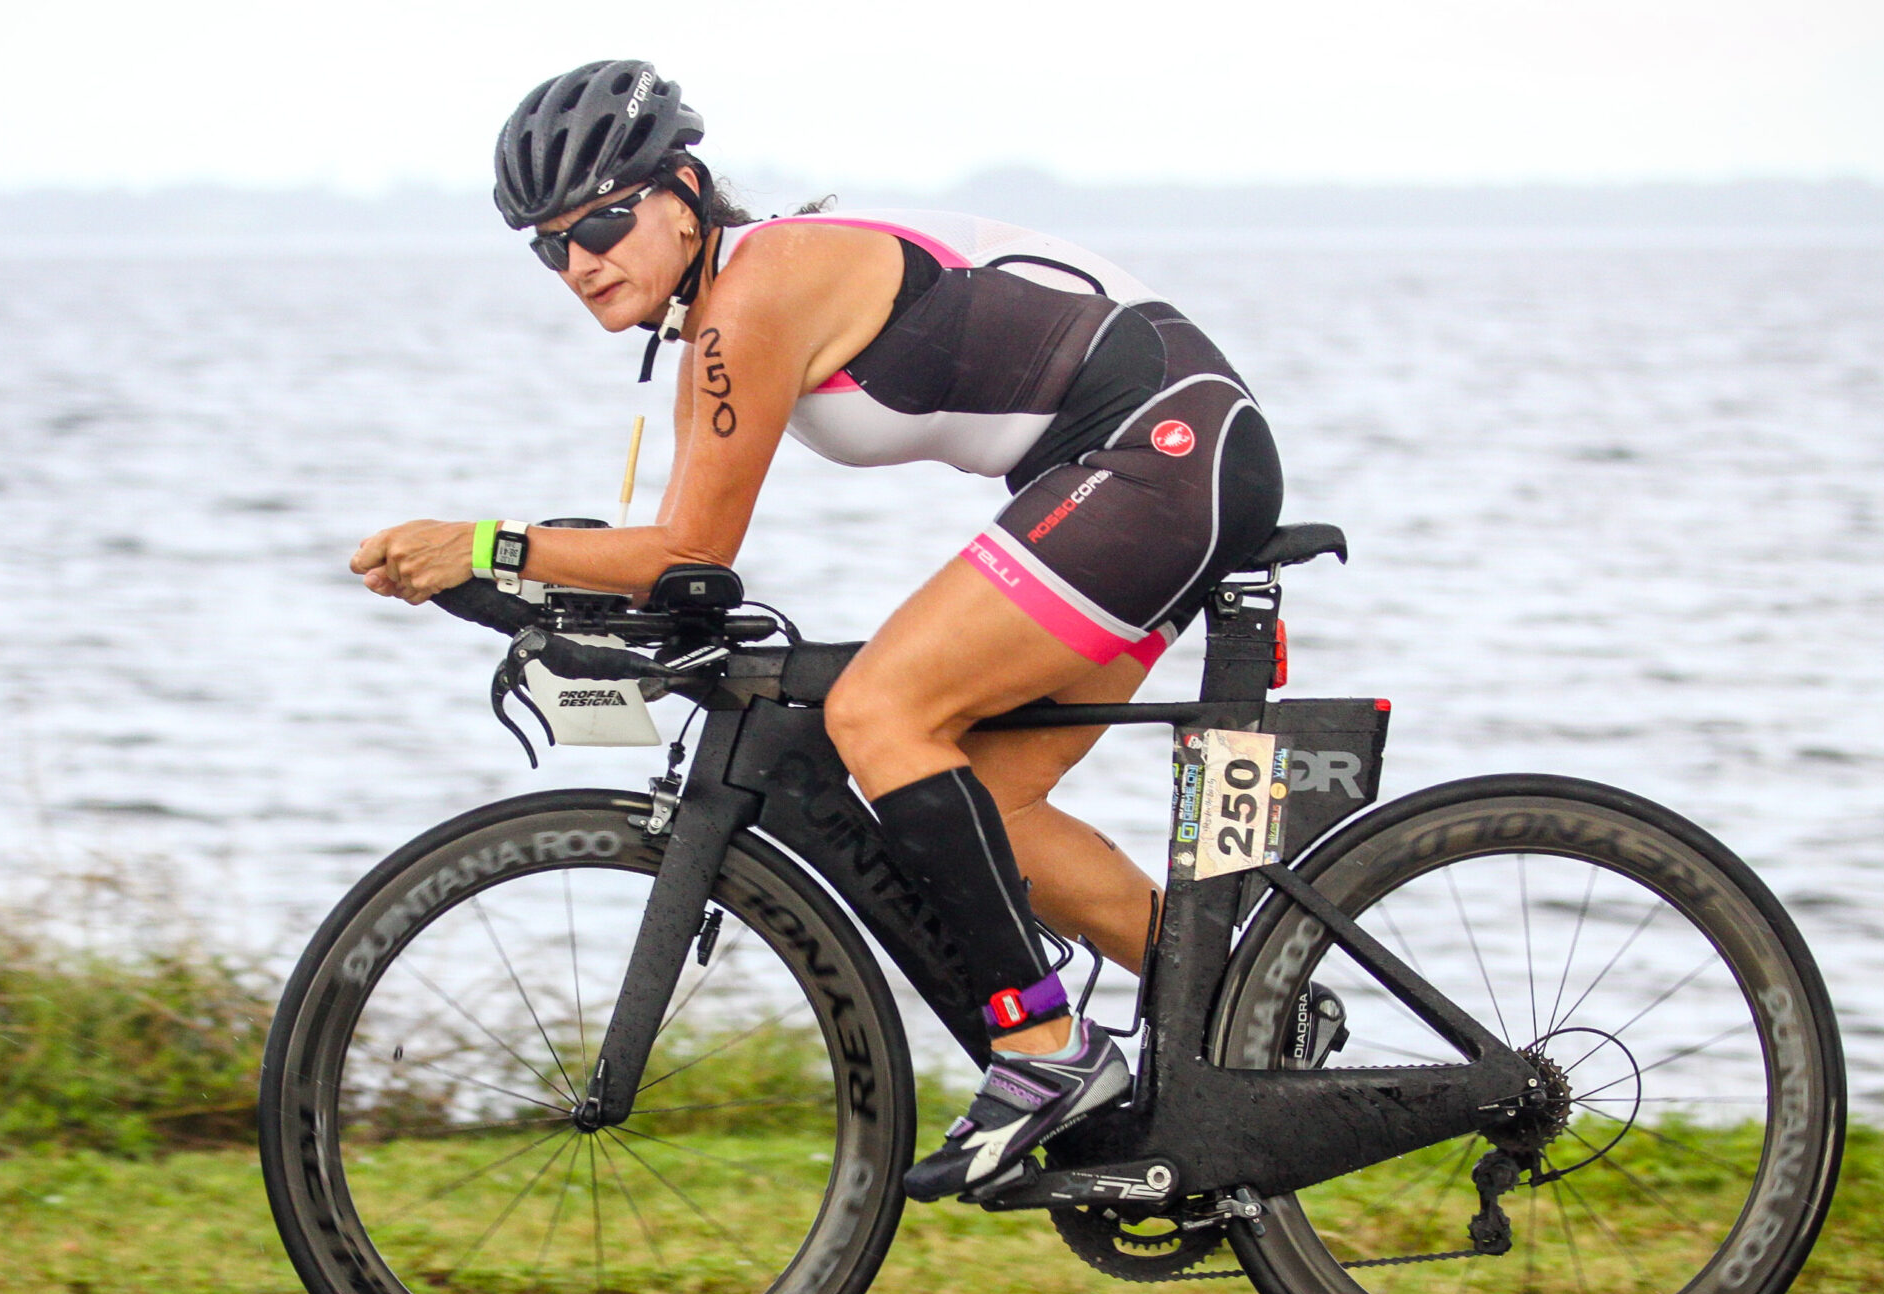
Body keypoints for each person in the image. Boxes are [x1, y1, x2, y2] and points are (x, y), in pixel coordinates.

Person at [352, 59, 1284, 1204]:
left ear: (683, 194)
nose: (581, 260)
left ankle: (1045, 1053)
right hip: (1153, 464)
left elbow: (689, 553)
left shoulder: (752, 299)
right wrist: (513, 584)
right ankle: (1260, 999)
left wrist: (490, 544)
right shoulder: (717, 317)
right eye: (551, 246)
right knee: (979, 806)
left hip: (1159, 457)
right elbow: (672, 564)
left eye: (602, 220)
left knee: (878, 713)